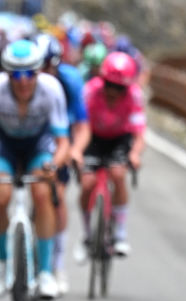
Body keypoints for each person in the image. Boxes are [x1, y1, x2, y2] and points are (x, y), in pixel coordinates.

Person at [0, 39, 70, 300]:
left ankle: (46, 272)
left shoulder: (52, 90)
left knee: (42, 194)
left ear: (39, 72)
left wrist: (53, 166)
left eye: (29, 73)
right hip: (5, 146)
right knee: (0, 196)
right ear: (7, 73)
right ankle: (3, 261)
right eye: (16, 74)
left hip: (39, 145)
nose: (23, 80)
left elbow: (63, 142)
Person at [72, 51, 145, 261]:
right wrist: (76, 150)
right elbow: (79, 125)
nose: (113, 91)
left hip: (120, 139)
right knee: (87, 183)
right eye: (109, 85)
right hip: (92, 137)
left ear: (127, 86)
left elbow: (139, 133)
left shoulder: (134, 95)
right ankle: (87, 235)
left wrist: (135, 154)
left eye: (119, 87)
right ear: (102, 80)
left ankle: (120, 233)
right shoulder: (90, 91)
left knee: (118, 174)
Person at [38, 33, 89, 295]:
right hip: (33, 135)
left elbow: (81, 124)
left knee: (57, 193)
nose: (45, 72)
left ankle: (57, 265)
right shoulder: (24, 80)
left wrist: (76, 150)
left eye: (50, 66)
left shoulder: (70, 81)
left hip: (61, 137)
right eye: (40, 66)